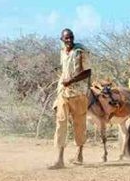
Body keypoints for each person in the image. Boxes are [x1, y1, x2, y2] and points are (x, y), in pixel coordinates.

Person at [49, 28, 92, 169]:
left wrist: (72, 80)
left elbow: (88, 72)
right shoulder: (62, 52)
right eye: (66, 38)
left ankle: (79, 153)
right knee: (61, 123)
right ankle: (59, 159)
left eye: (71, 37)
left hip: (79, 94)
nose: (69, 40)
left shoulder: (80, 51)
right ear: (61, 39)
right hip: (64, 92)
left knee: (79, 124)